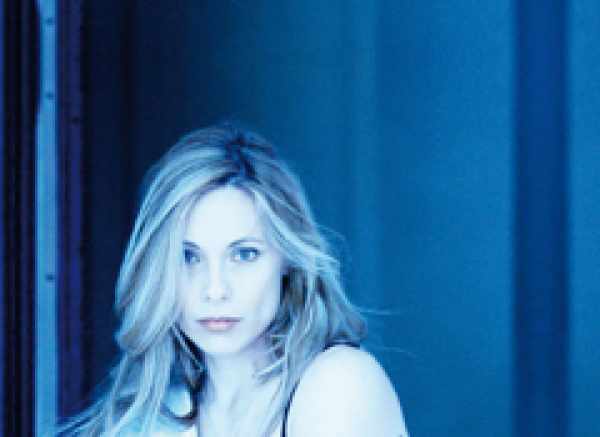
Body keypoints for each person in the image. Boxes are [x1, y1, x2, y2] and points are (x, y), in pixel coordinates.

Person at [59, 124, 408, 436]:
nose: (215, 290)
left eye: (244, 255)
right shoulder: (150, 418)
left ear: (288, 260)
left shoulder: (338, 383)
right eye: (189, 257)